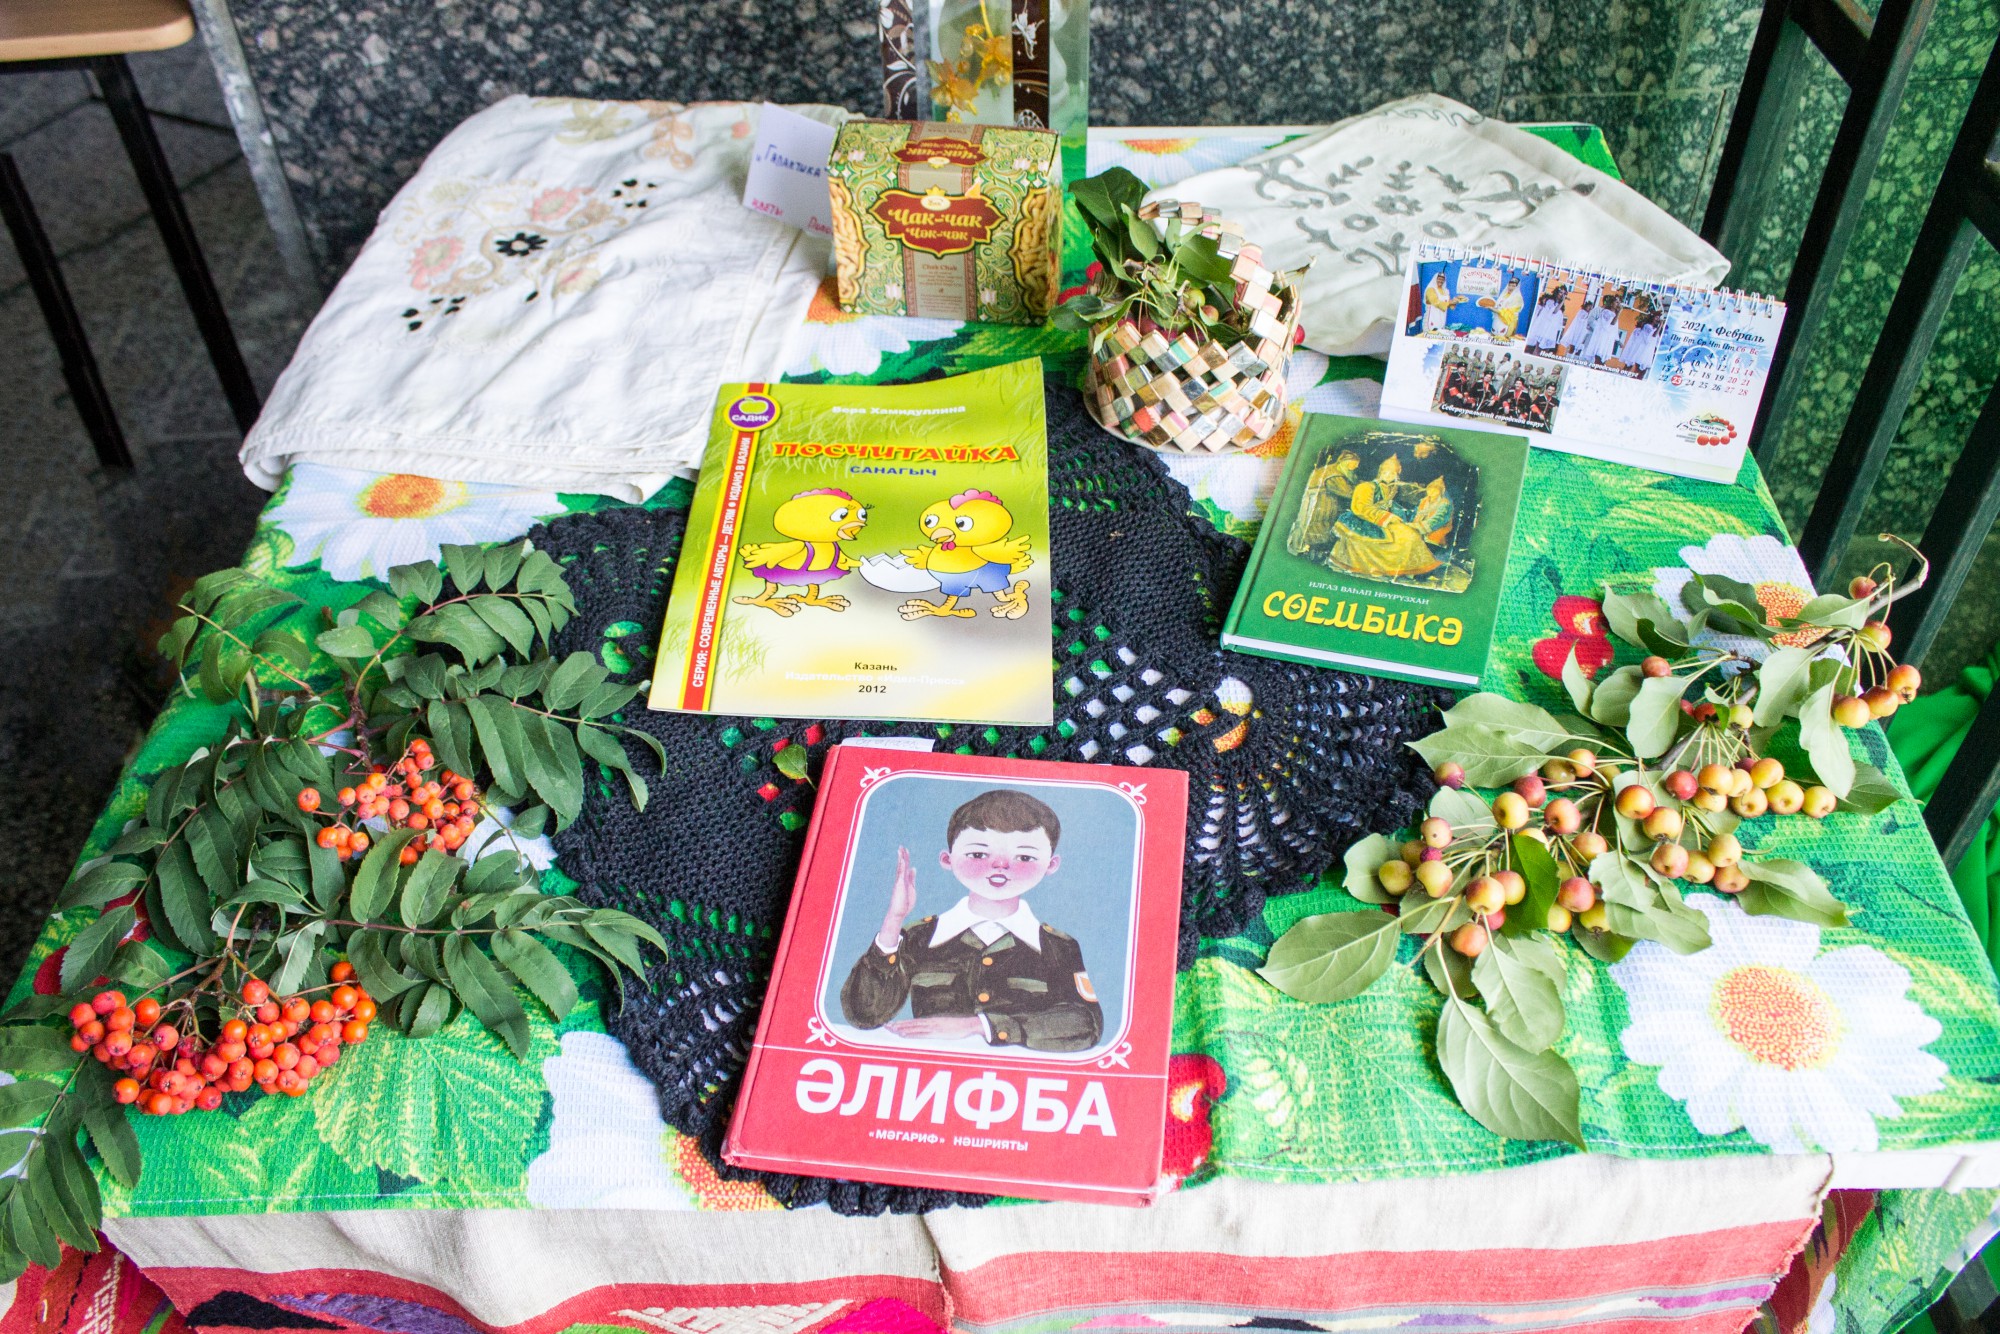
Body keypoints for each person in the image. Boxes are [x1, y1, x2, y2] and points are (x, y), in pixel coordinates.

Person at [840, 788, 1103, 1052]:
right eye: (978, 854)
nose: (1000, 865)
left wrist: (979, 1026)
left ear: (1051, 865)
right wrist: (894, 919)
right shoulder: (920, 936)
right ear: (947, 859)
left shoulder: (1058, 946)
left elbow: (1086, 1024)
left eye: (1024, 857)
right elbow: (865, 1015)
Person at [1329, 454, 1442, 579]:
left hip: (1383, 521)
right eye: (1386, 472)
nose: (1389, 475)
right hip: (1363, 521)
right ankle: (1397, 569)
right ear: (1380, 472)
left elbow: (1405, 498)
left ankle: (1416, 569)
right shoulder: (1366, 487)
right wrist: (1387, 517)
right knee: (1406, 536)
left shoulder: (1392, 488)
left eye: (1393, 473)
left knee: (1410, 534)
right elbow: (1360, 508)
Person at [1525, 286, 1567, 353]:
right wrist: (1563, 301)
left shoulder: (1560, 306)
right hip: (1543, 329)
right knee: (1538, 349)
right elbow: (1554, 311)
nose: (1562, 295)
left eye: (1564, 293)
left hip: (1551, 331)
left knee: (1545, 351)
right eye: (1561, 292)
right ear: (1557, 292)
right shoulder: (1550, 301)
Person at [1422, 270, 1456, 334]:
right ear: (1435, 279)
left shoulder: (1445, 291)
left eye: (1442, 279)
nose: (1440, 281)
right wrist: (1450, 303)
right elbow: (1436, 302)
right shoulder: (1430, 289)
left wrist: (1455, 301)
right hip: (1432, 318)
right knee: (1431, 334)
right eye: (1439, 279)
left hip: (1441, 319)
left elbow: (1448, 305)